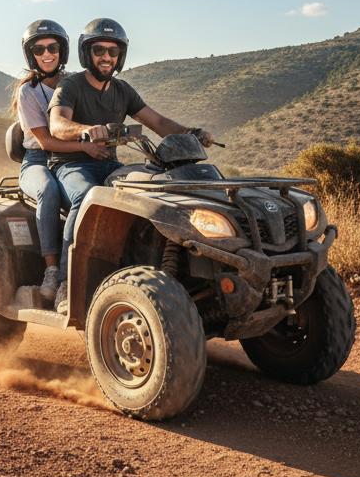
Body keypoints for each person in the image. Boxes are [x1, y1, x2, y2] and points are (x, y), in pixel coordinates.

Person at [48, 18, 214, 312]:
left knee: (151, 190)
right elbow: (57, 124)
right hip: (72, 165)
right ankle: (65, 284)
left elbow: (158, 122)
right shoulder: (71, 85)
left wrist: (192, 134)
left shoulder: (123, 90)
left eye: (113, 52)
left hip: (110, 166)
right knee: (84, 197)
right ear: (87, 54)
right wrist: (86, 130)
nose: (106, 57)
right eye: (99, 50)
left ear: (120, 56)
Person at [12, 20, 109, 306]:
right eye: (39, 49)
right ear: (31, 55)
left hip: (73, 156)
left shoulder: (73, 82)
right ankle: (53, 271)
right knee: (49, 190)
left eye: (53, 47)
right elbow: (45, 142)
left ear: (62, 50)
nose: (47, 54)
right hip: (37, 160)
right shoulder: (28, 91)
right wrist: (86, 147)